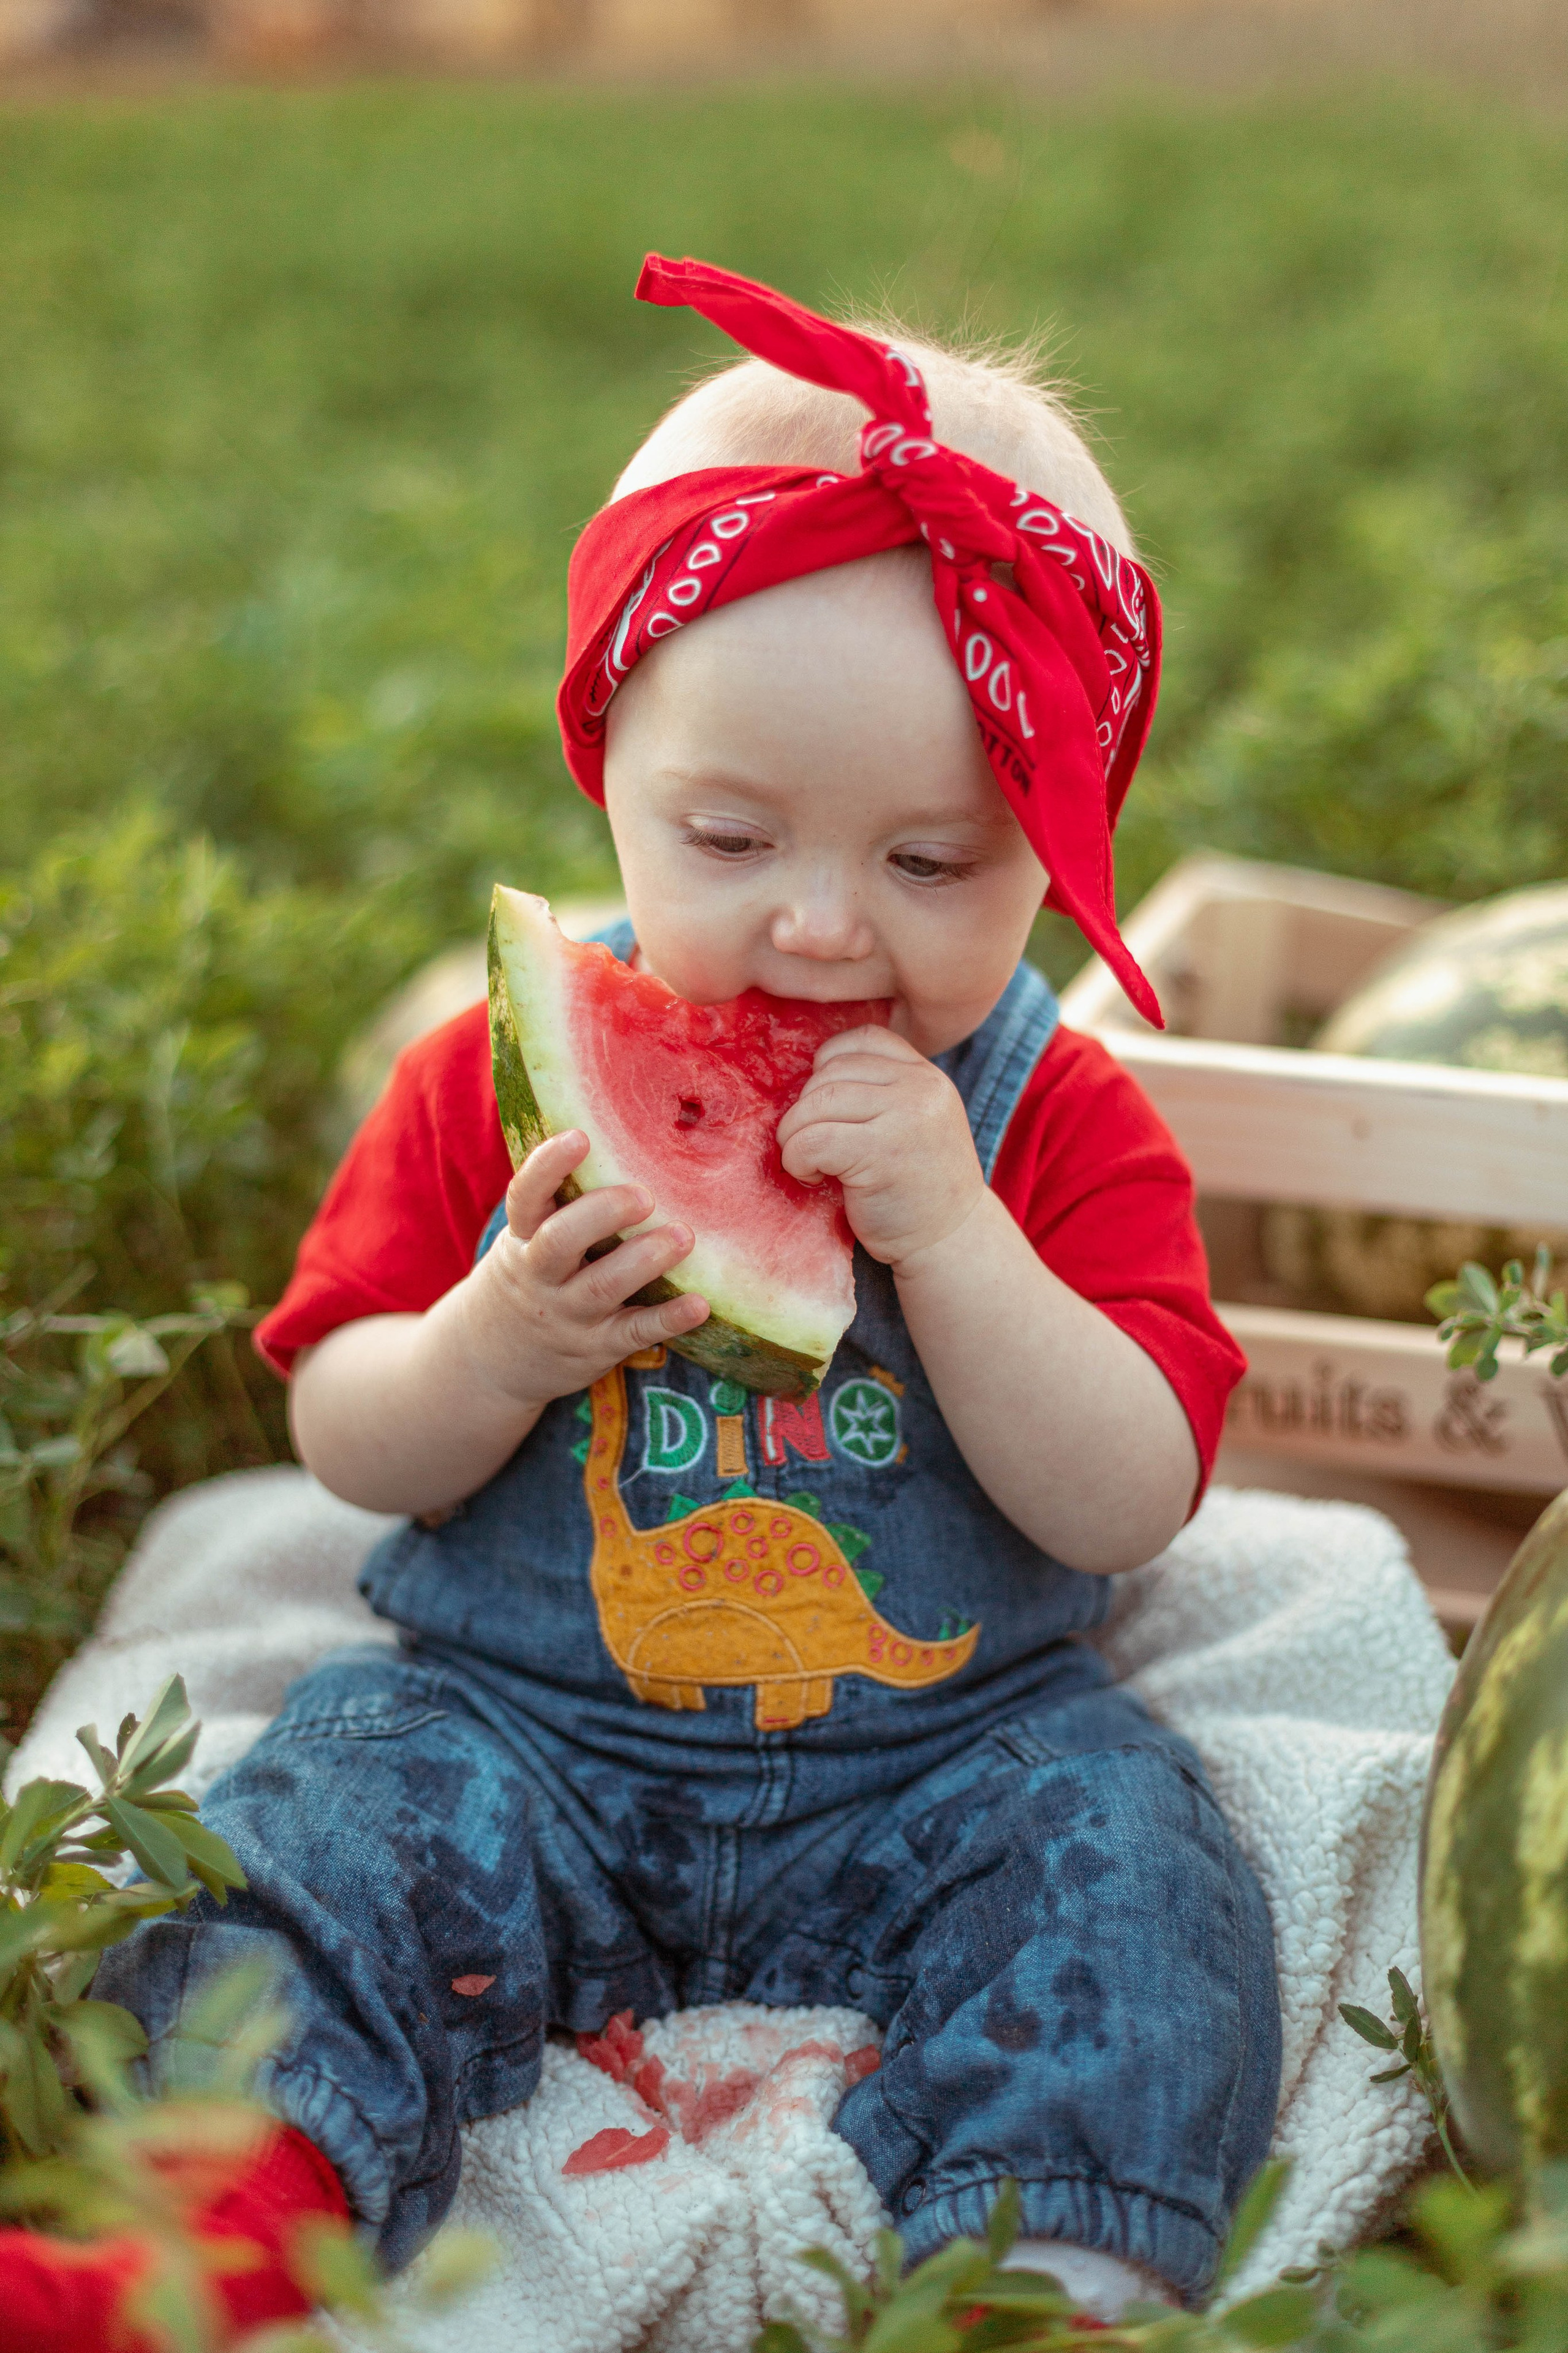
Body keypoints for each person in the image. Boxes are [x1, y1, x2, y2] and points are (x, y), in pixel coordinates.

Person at [2, 257, 1281, 2347]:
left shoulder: (1057, 1116)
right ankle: (204, 2235)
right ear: (609, 769)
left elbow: (1127, 1497)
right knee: (317, 1818)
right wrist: (491, 1340)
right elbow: (342, 1427)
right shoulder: (488, 1074)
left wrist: (957, 1238)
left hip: (945, 1753)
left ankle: (1042, 2283)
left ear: (1060, 853)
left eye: (933, 865)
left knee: (1139, 1868)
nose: (813, 924)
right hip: (519, 1732)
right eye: (730, 831)